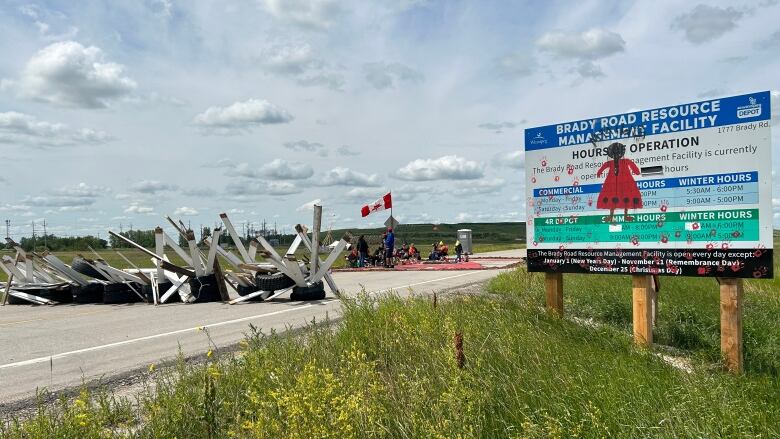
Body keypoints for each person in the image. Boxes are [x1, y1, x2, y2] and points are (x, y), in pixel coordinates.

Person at [596, 142, 643, 223]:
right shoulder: (610, 163)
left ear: (620, 154)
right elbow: (602, 168)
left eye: (617, 154)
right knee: (612, 198)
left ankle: (625, 216)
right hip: (613, 183)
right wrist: (599, 173)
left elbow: (635, 169)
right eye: (614, 154)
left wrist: (637, 172)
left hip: (625, 182)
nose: (616, 156)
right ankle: (611, 216)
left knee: (626, 197)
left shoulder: (626, 161)